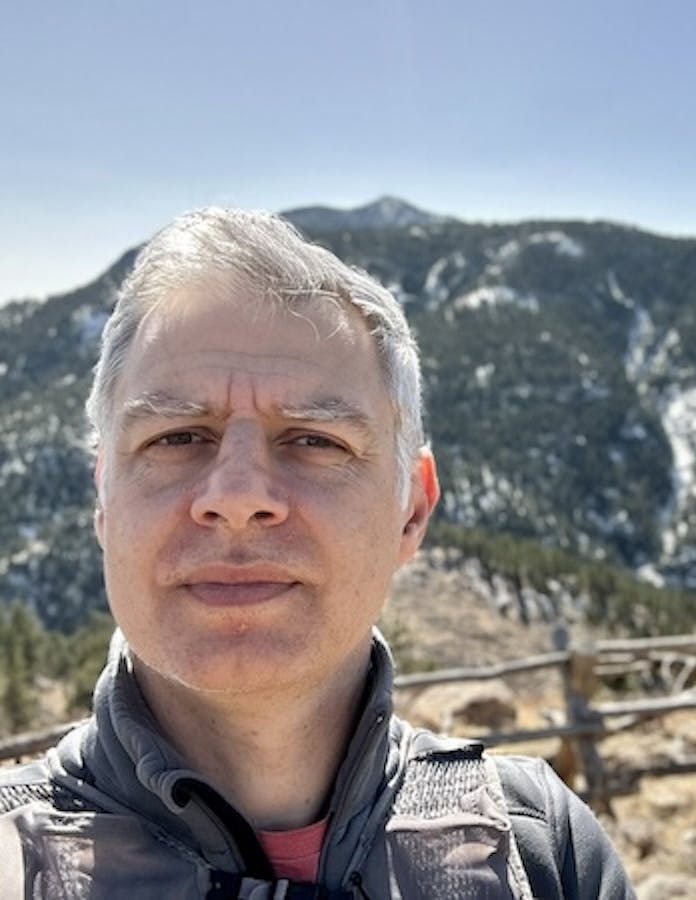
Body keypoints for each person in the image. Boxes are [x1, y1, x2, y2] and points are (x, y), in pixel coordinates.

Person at [0, 208, 635, 898]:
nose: (237, 495)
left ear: (411, 511)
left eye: (314, 440)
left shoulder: (538, 851)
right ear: (103, 499)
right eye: (177, 437)